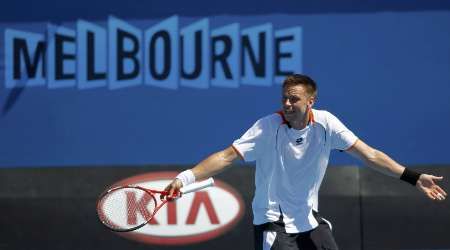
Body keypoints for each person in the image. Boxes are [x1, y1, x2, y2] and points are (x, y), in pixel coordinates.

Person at [162, 74, 447, 250]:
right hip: (273, 224)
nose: (287, 104)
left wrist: (413, 177)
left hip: (310, 222)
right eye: (284, 98)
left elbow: (370, 155)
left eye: (294, 99)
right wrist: (186, 177)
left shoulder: (327, 124)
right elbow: (225, 156)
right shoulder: (267, 127)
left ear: (310, 101)